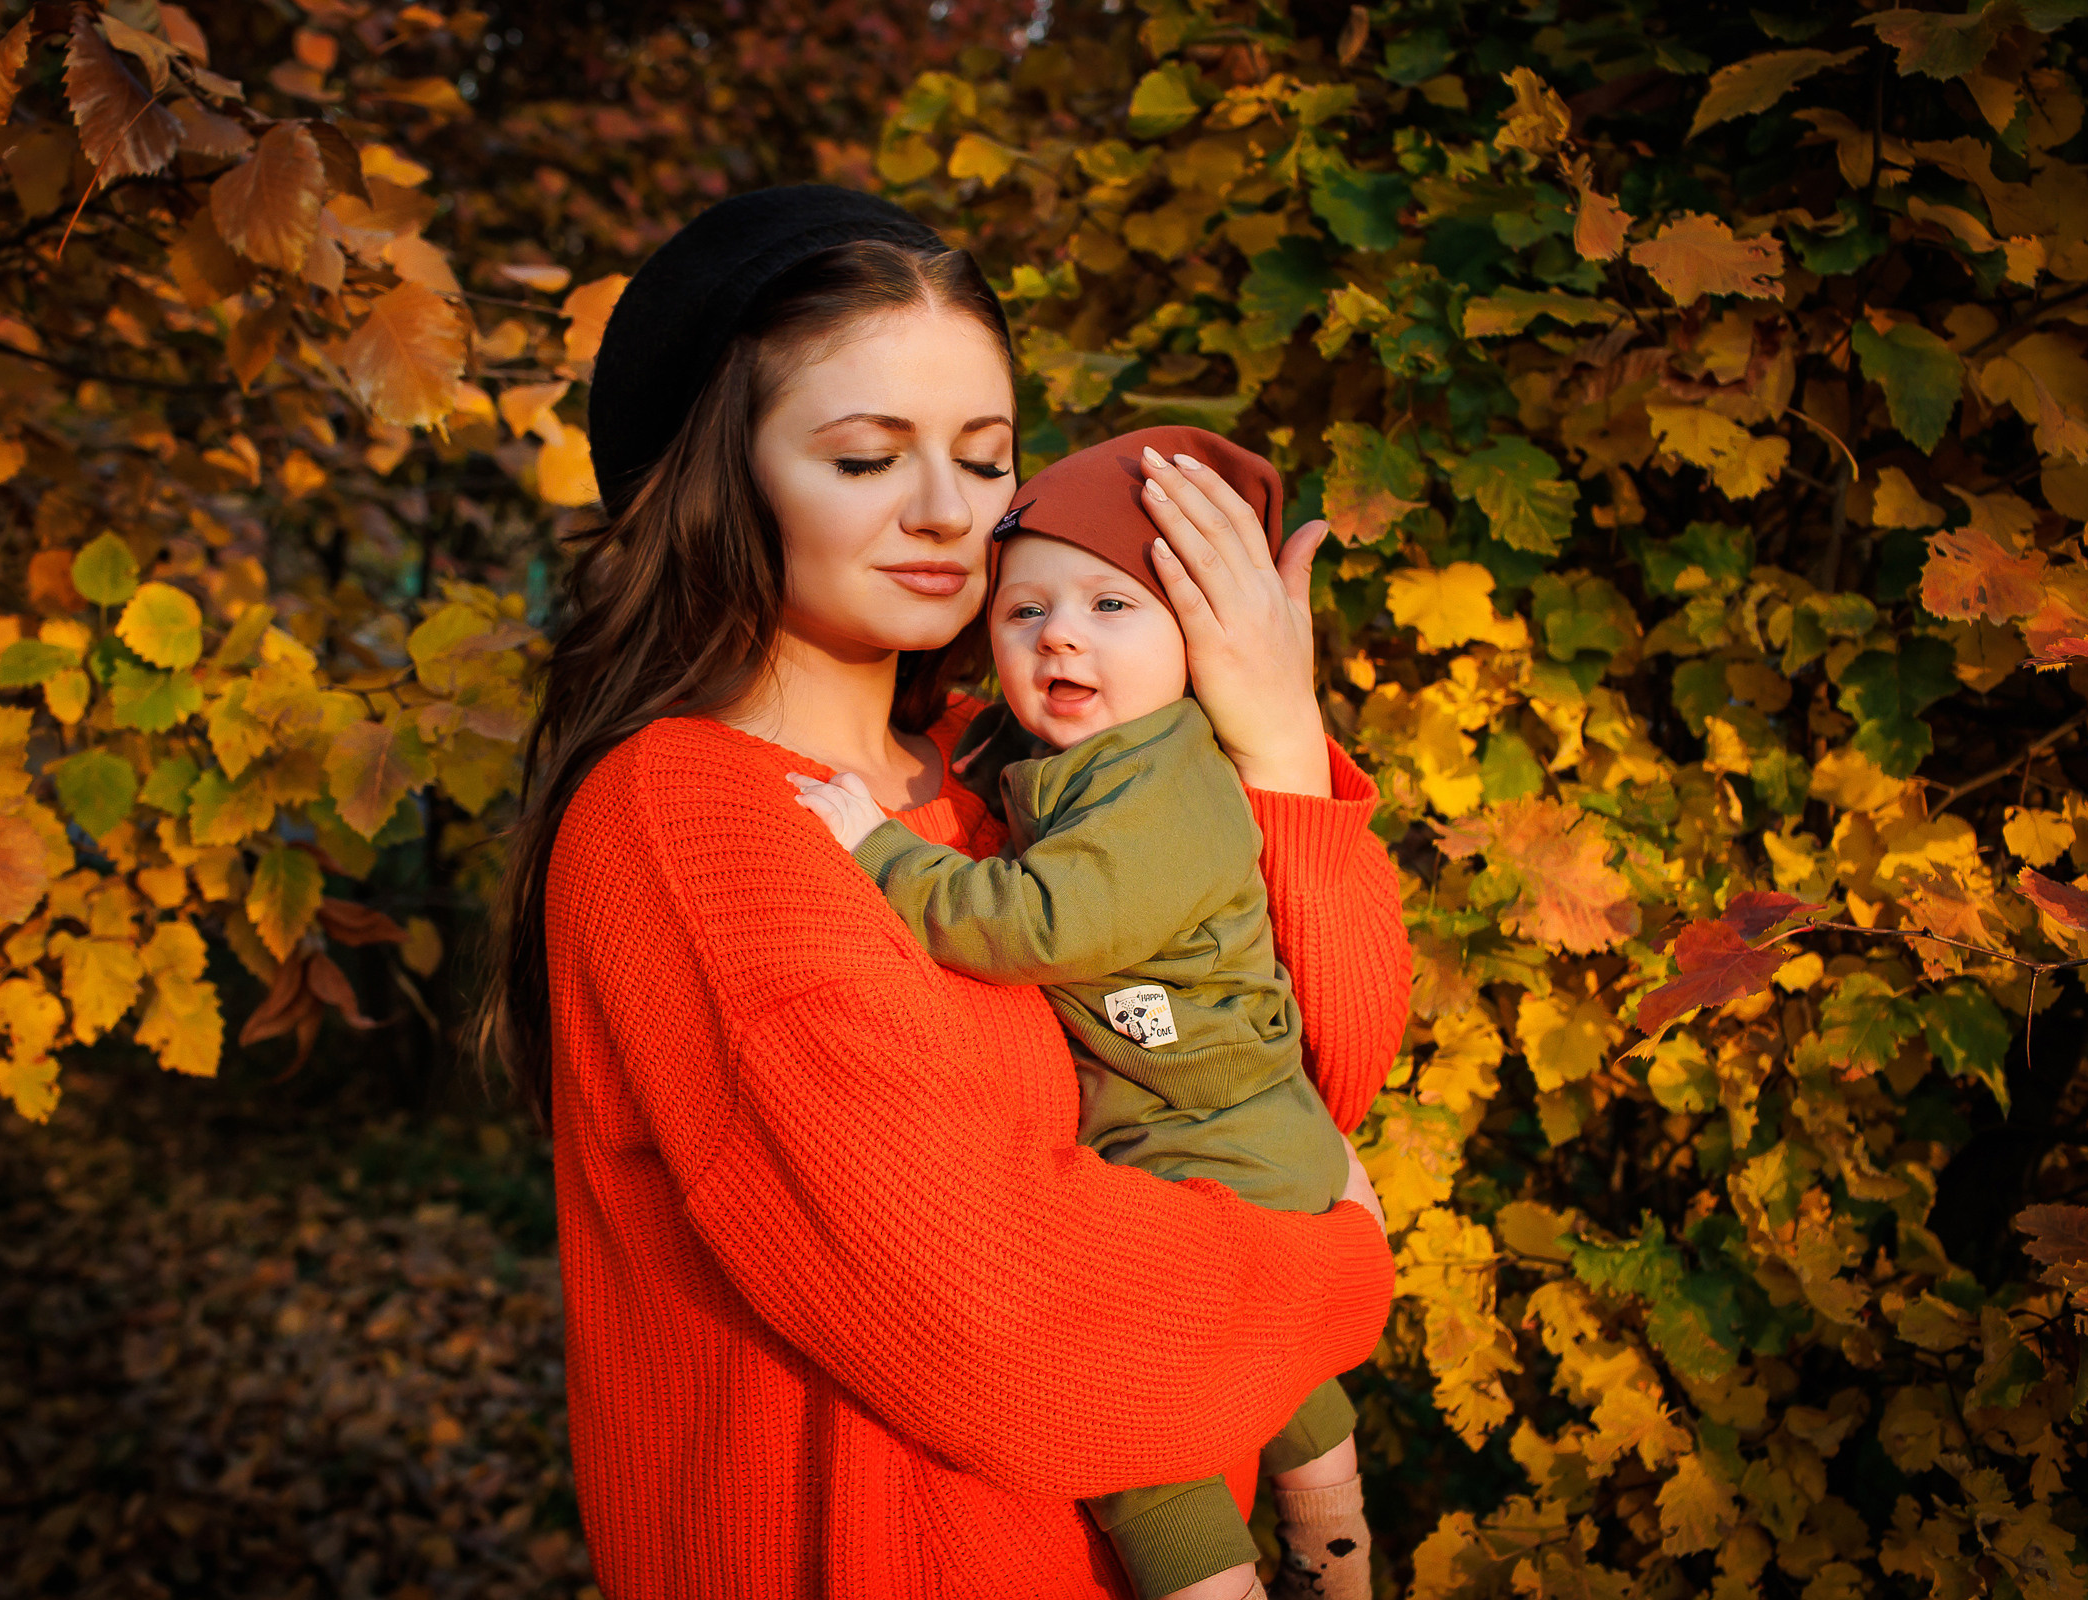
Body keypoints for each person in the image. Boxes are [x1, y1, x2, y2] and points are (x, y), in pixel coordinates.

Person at [482, 185, 1414, 1599]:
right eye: (865, 458)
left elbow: (1300, 1083)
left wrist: (1276, 743)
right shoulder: (695, 824)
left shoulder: (995, 779)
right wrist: (1339, 1272)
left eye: (987, 462)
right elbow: (1009, 1323)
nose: (946, 514)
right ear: (718, 476)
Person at [790, 427, 1378, 1600]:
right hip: (1205, 1128)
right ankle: (1335, 1540)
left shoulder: (1160, 778)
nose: (1060, 632)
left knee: (1134, 1437)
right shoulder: (1070, 752)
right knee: (1280, 1366)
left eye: (1115, 603)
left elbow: (1038, 924)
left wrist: (878, 853)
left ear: (1196, 644)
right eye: (1025, 611)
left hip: (1213, 1138)